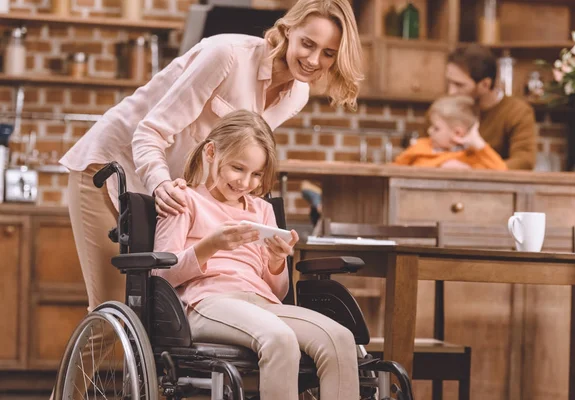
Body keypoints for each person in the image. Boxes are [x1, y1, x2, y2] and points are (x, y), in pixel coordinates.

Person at [58, 0, 363, 313]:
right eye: (308, 44)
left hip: (168, 197)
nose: (313, 59)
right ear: (288, 31)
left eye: (328, 53)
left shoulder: (297, 94)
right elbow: (150, 131)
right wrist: (160, 183)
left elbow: (237, 150)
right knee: (115, 308)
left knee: (152, 313)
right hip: (109, 171)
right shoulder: (227, 55)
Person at [153, 109, 360, 400]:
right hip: (206, 303)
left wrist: (277, 261)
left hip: (262, 303)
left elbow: (279, 291)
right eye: (238, 168)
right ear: (211, 152)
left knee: (340, 339)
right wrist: (210, 245)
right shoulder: (184, 200)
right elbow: (161, 275)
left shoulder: (262, 210)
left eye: (256, 174)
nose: (245, 182)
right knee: (279, 338)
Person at [445, 43, 537, 170]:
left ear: (485, 84)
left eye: (459, 85)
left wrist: (473, 172)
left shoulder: (517, 112)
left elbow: (524, 161)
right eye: (449, 82)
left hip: (497, 187)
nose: (451, 92)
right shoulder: (445, 109)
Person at [394, 95, 507, 170]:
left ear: (457, 133)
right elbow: (395, 168)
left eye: (436, 128)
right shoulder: (420, 147)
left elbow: (502, 172)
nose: (429, 131)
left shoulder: (472, 156)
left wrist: (478, 143)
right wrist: (440, 167)